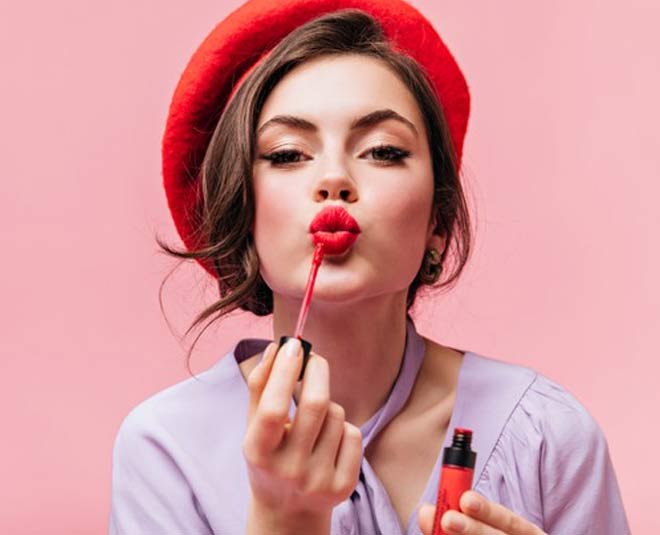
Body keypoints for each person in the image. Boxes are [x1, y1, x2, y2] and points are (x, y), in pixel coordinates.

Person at [108, 1, 630, 534]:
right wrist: (283, 520)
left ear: (438, 221)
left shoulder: (548, 437)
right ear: (242, 215)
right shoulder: (165, 451)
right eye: (287, 154)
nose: (334, 178)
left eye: (382, 151)